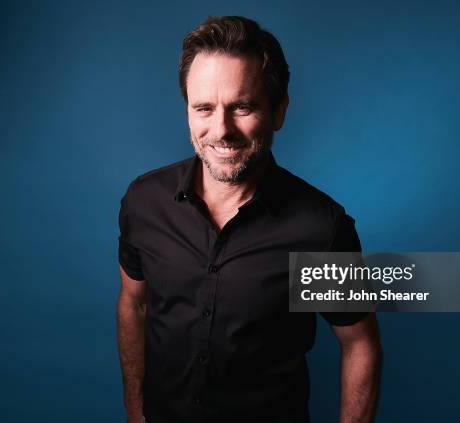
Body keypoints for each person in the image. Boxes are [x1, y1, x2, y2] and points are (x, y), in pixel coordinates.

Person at [117, 16, 382, 423]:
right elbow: (134, 305)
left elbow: (359, 343)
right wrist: (136, 412)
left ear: (278, 111)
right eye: (203, 108)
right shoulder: (144, 202)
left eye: (242, 107)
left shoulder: (321, 230)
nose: (221, 130)